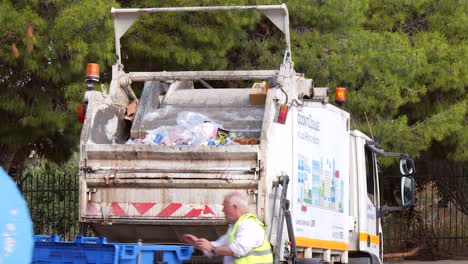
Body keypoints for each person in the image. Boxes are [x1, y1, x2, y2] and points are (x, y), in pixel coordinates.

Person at [183, 191, 273, 264]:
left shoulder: (249, 225)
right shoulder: (235, 227)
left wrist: (212, 248)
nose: (222, 210)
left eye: (224, 206)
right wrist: (198, 244)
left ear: (235, 207)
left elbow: (237, 249)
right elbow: (218, 246)